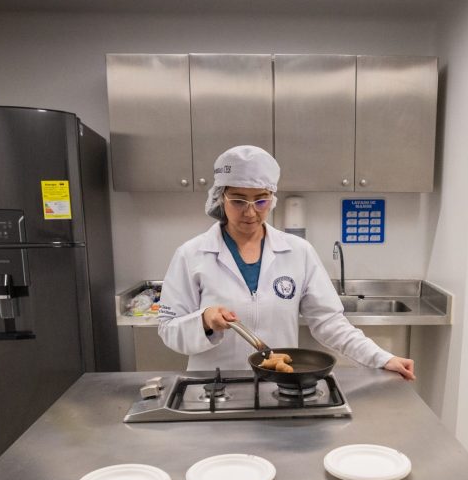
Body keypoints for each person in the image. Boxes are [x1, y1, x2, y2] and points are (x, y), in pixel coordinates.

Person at [157, 145, 415, 380]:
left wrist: (382, 358)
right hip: (213, 389)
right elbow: (168, 329)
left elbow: (329, 322)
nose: (250, 211)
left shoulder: (298, 252)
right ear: (220, 197)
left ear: (272, 198)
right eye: (238, 200)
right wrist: (204, 321)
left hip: (278, 387)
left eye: (261, 200)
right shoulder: (191, 255)